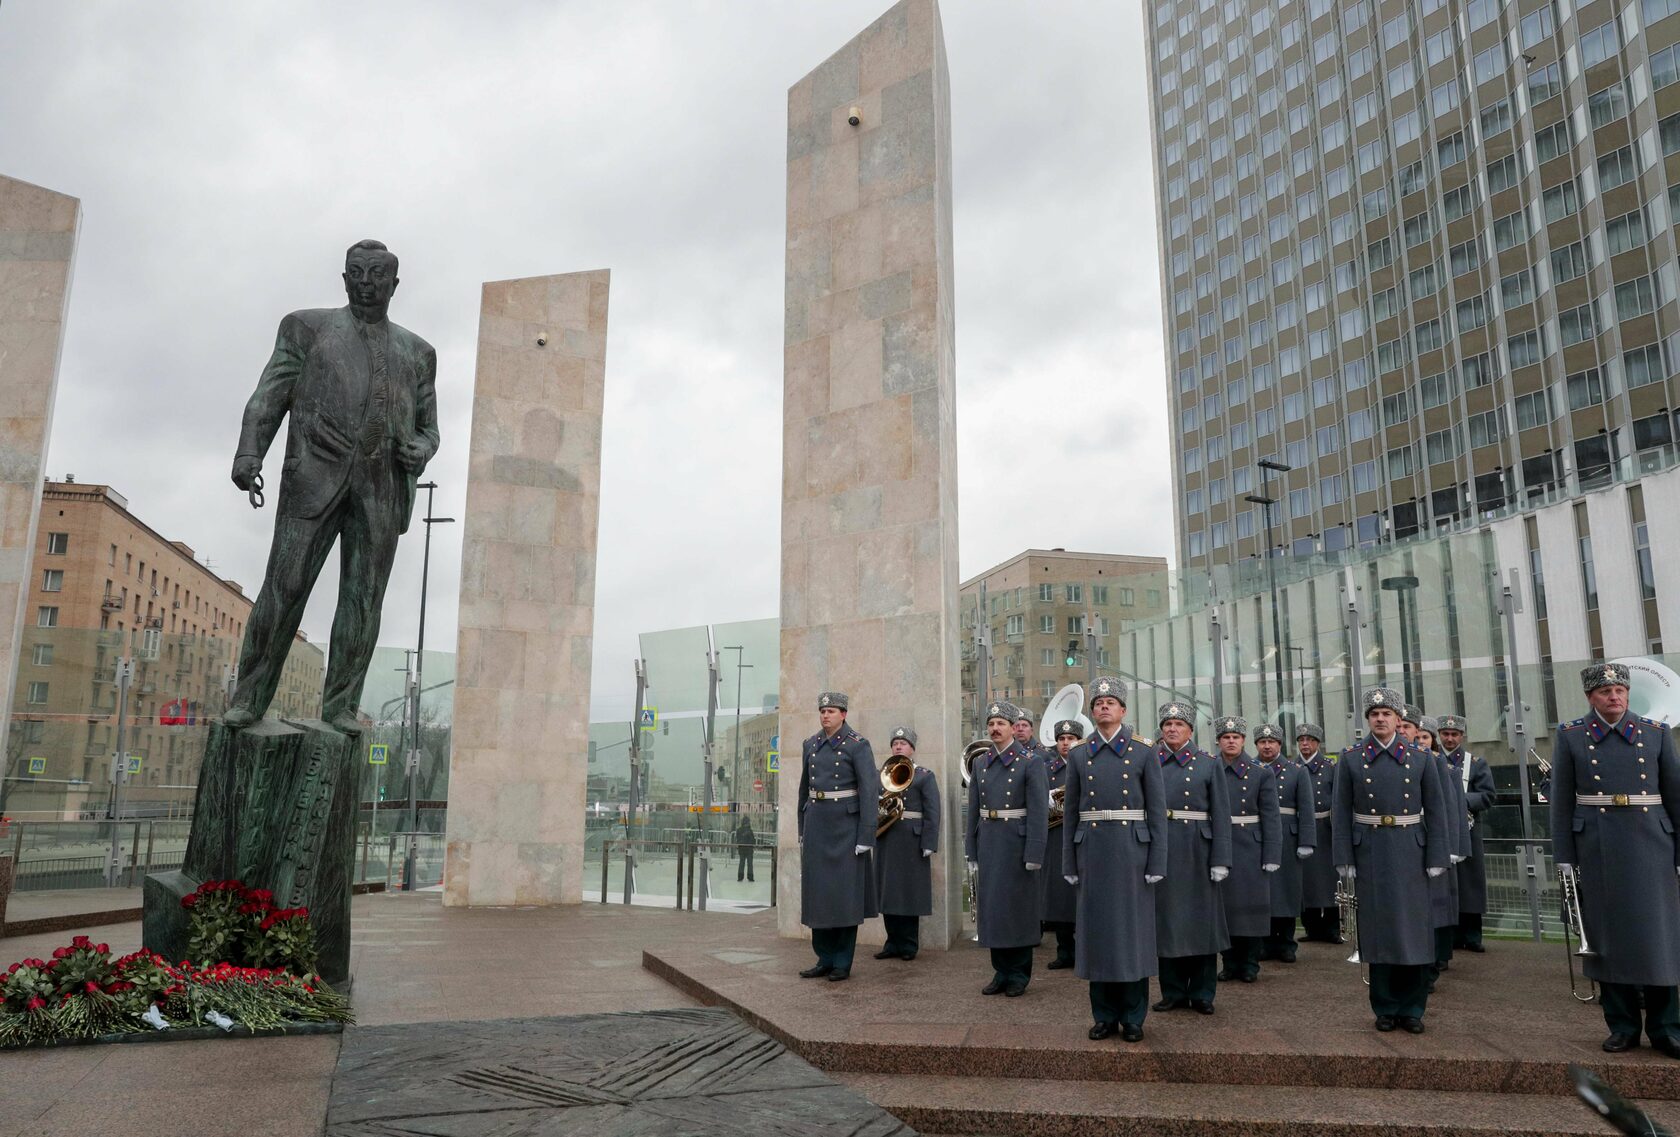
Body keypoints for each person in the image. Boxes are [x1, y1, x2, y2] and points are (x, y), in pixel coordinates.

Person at [226, 239, 440, 731]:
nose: (366, 284)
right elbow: (268, 395)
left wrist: (421, 450)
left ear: (394, 284)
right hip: (313, 477)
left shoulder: (419, 353)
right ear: (344, 278)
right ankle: (249, 698)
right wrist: (248, 451)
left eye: (376, 276)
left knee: (363, 602)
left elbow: (430, 429)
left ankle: (341, 705)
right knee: (284, 589)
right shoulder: (305, 328)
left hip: (381, 489)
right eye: (356, 274)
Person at [1550, 663, 1680, 1057]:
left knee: (1657, 940)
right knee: (1608, 940)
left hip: (1652, 845)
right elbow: (1561, 799)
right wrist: (1564, 857)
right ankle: (1622, 1026)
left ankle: (1666, 1028)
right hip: (1598, 845)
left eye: (1620, 689)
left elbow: (1674, 793)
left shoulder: (1656, 733)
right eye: (1605, 691)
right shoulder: (1571, 735)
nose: (1614, 696)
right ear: (1591, 697)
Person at [1333, 687, 1449, 1033]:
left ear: (1399, 720)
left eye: (1386, 714)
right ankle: (1384, 1007)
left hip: (1411, 850)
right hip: (1370, 850)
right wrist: (1344, 857)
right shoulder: (1351, 758)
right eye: (1374, 714)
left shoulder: (1422, 758)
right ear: (1367, 719)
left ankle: (1413, 1009)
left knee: (1413, 932)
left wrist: (1437, 855)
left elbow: (1437, 811)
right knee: (1379, 931)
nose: (1380, 719)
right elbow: (1341, 812)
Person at [1060, 677, 1167, 1041]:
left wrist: (1157, 862)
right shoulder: (1078, 754)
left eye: (1111, 701)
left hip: (1132, 854)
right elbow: (1070, 813)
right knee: (1098, 936)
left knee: (1132, 936)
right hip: (1091, 851)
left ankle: (1134, 1017)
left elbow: (1156, 812)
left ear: (1123, 710)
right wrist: (1069, 864)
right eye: (1098, 702)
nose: (1103, 706)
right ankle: (1104, 1015)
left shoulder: (1143, 751)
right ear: (1092, 712)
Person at [1152, 701, 1232, 1015]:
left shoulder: (1208, 762)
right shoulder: (1150, 760)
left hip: (1198, 849)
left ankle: (1202, 993)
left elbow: (1221, 813)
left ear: (1190, 730)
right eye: (1167, 724)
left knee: (1201, 924)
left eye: (1178, 724)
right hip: (1163, 847)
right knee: (1167, 923)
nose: (1172, 729)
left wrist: (1221, 858)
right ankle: (1171, 991)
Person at [966, 701, 1048, 996]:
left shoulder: (1030, 761)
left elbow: (1039, 811)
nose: (995, 728)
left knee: (1018, 909)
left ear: (1014, 728)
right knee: (994, 909)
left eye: (1001, 723)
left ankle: (1018, 974)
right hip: (989, 841)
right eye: (991, 723)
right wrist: (971, 851)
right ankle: (1000, 971)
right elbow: (974, 809)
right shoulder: (980, 762)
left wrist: (1035, 853)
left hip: (1017, 842)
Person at [797, 692, 879, 982]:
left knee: (844, 899)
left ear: (843, 714)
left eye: (831, 711)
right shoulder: (812, 744)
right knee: (819, 897)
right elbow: (803, 789)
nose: (825, 715)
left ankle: (842, 962)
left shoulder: (858, 745)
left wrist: (866, 834)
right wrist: (801, 829)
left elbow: (870, 791)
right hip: (818, 826)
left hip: (846, 829)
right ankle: (824, 958)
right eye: (822, 711)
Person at [1213, 717, 1281, 983]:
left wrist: (1272, 853)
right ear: (1219, 741)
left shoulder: (1260, 772)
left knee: (1251, 911)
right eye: (1226, 737)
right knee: (1224, 910)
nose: (1231, 741)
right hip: (1221, 843)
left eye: (1236, 737)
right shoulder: (1211, 768)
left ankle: (1250, 963)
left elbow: (1271, 816)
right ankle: (1229, 963)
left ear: (1243, 741)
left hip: (1251, 847)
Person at [873, 726, 942, 962]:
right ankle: (892, 942)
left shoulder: (924, 775)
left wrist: (929, 842)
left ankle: (909, 945)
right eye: (895, 743)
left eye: (903, 743)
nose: (898, 746)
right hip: (888, 838)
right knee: (888, 892)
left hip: (912, 840)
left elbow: (933, 811)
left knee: (910, 893)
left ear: (912, 749)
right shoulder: (882, 774)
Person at [1416, 717, 1469, 991]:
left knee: (1438, 906)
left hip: (1438, 841)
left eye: (1425, 737)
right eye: (1418, 737)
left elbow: (1454, 809)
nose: (1421, 742)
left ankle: (1435, 960)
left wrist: (1454, 848)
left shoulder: (1445, 767)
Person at [1258, 722, 1316, 962]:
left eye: (1272, 742)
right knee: (1264, 893)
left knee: (1287, 893)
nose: (1267, 746)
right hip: (1260, 836)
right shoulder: (1252, 768)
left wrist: (1307, 841)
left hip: (1288, 839)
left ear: (1279, 745)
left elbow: (1306, 807)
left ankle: (1286, 944)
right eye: (1263, 742)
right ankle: (1263, 943)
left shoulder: (1296, 771)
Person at [1439, 714, 1494, 953]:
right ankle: (1450, 935)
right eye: (1445, 734)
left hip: (1469, 830)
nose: (1450, 739)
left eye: (1454, 734)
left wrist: (1458, 800)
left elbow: (1487, 795)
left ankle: (1472, 936)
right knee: (1446, 884)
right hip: (1443, 830)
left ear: (1462, 736)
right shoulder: (1431, 760)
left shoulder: (1475, 763)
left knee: (1470, 885)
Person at [1041, 719, 1081, 970]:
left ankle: (1085, 950)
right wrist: (1054, 802)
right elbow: (1038, 804)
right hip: (1057, 836)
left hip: (1082, 835)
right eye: (1062, 739)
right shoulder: (1047, 770)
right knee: (1060, 898)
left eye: (1071, 739)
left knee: (1082, 897)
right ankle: (1064, 951)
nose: (1066, 743)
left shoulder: (1088, 765)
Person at [1296, 722, 1341, 944]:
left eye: (1310, 740)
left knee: (1330, 880)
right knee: (1306, 881)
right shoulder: (1292, 767)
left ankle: (1332, 928)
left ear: (1318, 743)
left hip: (1325, 828)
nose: (1305, 744)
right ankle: (1311, 927)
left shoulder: (1330, 767)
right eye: (1302, 740)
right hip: (1302, 829)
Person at [735, 814, 756, 882]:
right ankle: (750, 876)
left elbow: (737, 839)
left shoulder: (738, 830)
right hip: (749, 849)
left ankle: (740, 876)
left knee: (741, 863)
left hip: (741, 849)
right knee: (750, 864)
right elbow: (753, 840)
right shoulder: (750, 830)